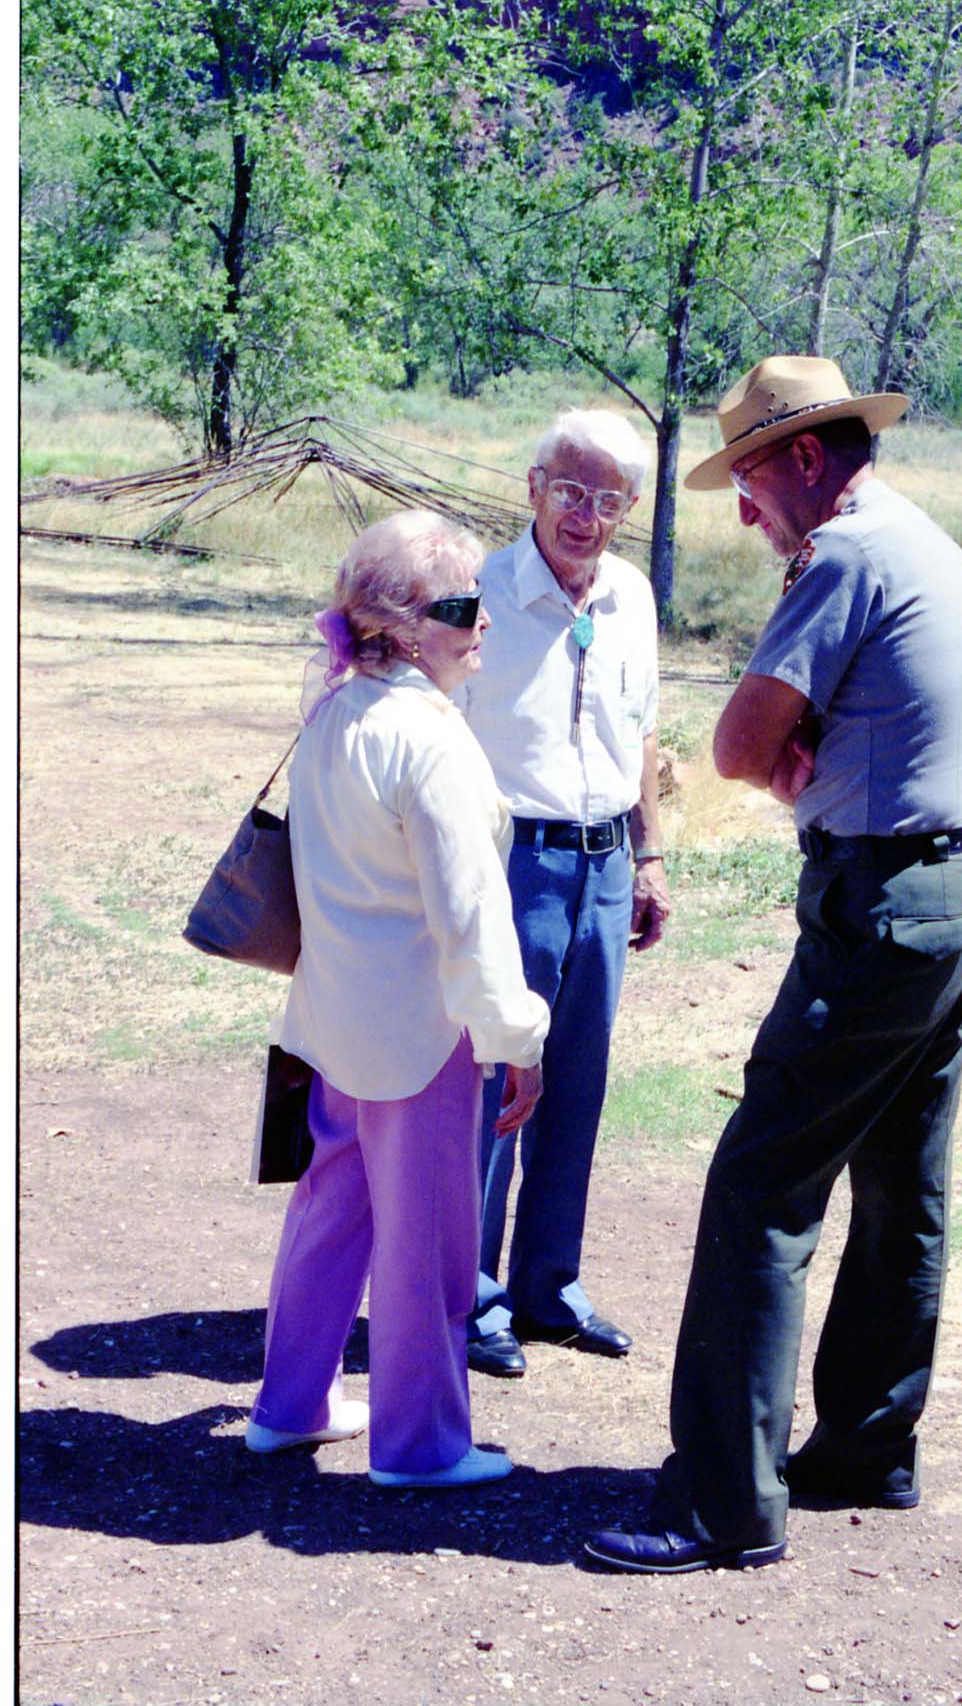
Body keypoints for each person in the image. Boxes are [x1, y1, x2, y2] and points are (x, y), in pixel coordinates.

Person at [586, 355, 962, 1572]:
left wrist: (791, 747)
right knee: (901, 1183)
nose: (742, 506)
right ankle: (868, 1450)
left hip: (887, 905)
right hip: (961, 889)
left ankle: (724, 1502)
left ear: (809, 458)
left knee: (762, 1185)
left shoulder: (847, 557)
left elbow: (731, 745)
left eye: (753, 474)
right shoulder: (914, 541)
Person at [245, 511, 550, 1489]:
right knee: (428, 1243)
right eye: (465, 608)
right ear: (404, 623)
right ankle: (419, 1447)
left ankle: (289, 1406)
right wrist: (517, 1037)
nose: (484, 625)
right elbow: (471, 921)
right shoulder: (433, 742)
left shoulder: (337, 711)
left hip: (331, 1023)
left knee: (330, 1216)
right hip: (419, 1039)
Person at [457, 410, 672, 1379]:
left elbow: (643, 735)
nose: (586, 516)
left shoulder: (630, 595)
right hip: (514, 861)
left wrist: (651, 858)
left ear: (629, 511)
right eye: (571, 490)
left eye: (609, 499)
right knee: (500, 1078)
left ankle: (550, 1285)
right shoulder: (481, 592)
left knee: (576, 1081)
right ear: (533, 485)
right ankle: (471, 1293)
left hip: (606, 863)